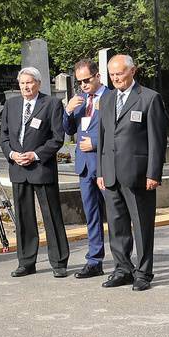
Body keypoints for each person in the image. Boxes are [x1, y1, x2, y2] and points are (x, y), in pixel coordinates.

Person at [96, 53, 168, 291]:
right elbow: (103, 138)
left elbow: (157, 140)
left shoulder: (149, 98)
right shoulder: (106, 100)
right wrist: (100, 171)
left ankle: (144, 272)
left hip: (138, 173)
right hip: (111, 173)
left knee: (142, 225)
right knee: (117, 225)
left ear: (132, 71)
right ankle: (122, 268)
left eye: (120, 73)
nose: (116, 78)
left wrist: (153, 174)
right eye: (112, 74)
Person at [2, 67, 69, 278]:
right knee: (23, 217)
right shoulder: (11, 104)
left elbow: (57, 138)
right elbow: (3, 136)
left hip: (41, 167)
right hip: (18, 167)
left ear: (38, 83)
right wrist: (12, 154)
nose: (25, 87)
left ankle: (59, 262)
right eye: (22, 83)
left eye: (29, 82)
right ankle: (26, 262)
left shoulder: (51, 104)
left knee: (51, 215)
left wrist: (35, 155)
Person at [61, 60, 108, 279]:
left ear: (97, 76)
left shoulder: (110, 97)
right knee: (91, 215)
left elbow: (119, 132)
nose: (83, 85)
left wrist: (96, 143)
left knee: (116, 215)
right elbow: (69, 129)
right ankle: (94, 260)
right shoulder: (79, 101)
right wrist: (68, 111)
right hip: (84, 165)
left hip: (104, 165)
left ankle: (123, 261)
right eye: (79, 82)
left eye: (87, 80)